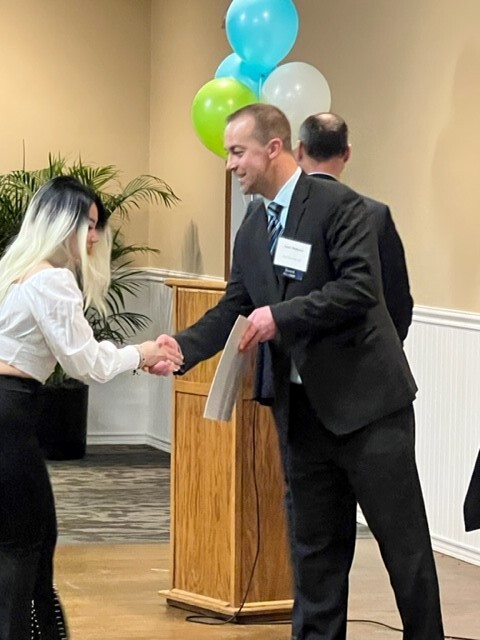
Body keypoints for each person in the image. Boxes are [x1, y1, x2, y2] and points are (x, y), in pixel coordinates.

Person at [151, 103, 444, 640]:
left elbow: (360, 289)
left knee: (406, 555)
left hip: (369, 413)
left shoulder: (339, 206)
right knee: (314, 561)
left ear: (274, 148)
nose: (230, 165)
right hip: (302, 418)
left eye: (237, 152)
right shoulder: (253, 227)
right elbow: (234, 308)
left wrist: (278, 316)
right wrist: (182, 346)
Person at [0, 176, 183, 640]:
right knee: (24, 543)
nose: (97, 236)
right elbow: (86, 364)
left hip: (11, 412)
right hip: (9, 414)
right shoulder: (52, 280)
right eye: (91, 224)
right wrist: (142, 353)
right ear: (65, 224)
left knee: (29, 538)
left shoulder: (13, 272)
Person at [296, 112, 413, 342]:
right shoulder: (375, 215)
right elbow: (397, 301)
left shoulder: (279, 212)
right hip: (357, 360)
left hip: (290, 361)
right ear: (347, 153)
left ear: (299, 150)